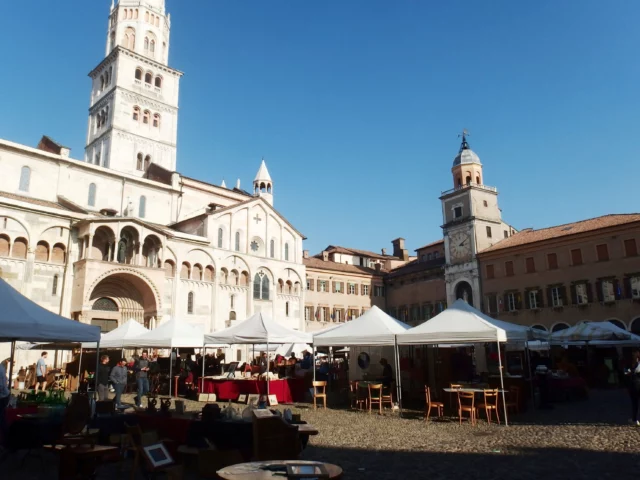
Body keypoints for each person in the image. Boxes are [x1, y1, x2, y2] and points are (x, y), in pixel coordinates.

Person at [626, 349, 640, 426]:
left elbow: (626, 374)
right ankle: (635, 419)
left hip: (633, 385)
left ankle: (635, 420)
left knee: (635, 403)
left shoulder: (629, 363)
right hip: (636, 383)